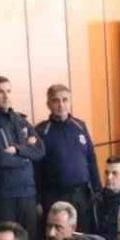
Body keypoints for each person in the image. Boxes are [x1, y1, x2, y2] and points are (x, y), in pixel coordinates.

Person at [0, 75, 44, 239]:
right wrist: (27, 155)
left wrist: (17, 149)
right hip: (3, 196)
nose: (6, 96)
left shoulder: (21, 121)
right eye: (0, 92)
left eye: (8, 91)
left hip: (27, 193)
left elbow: (40, 151)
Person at [34, 83, 101, 224]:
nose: (61, 105)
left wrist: (97, 189)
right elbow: (36, 169)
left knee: (84, 233)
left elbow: (91, 158)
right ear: (48, 104)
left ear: (70, 102)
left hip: (82, 194)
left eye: (65, 100)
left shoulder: (80, 126)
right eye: (56, 100)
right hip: (54, 196)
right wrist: (38, 199)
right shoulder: (41, 131)